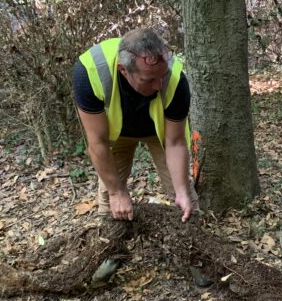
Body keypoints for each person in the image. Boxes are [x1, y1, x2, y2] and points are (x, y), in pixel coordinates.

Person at [73, 28, 198, 222]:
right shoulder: (91, 72)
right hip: (115, 133)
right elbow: (97, 143)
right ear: (123, 70)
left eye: (161, 76)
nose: (158, 85)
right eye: (149, 80)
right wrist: (116, 192)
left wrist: (181, 192)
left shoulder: (175, 80)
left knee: (185, 200)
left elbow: (175, 142)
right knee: (111, 202)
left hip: (161, 134)